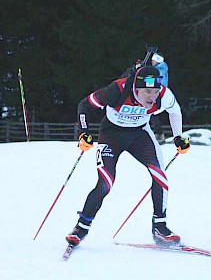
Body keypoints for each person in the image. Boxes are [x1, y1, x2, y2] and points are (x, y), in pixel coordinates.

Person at [66, 66, 190, 247]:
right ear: (136, 88)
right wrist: (84, 133)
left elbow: (175, 111)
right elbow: (84, 105)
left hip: (140, 135)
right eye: (147, 91)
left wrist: (178, 136)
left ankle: (160, 228)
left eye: (155, 91)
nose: (152, 97)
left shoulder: (164, 95)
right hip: (111, 135)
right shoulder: (117, 90)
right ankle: (81, 228)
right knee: (106, 182)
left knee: (160, 176)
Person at [150, 52, 169, 144]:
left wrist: (142, 79)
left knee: (151, 114)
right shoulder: (161, 69)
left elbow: (156, 81)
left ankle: (158, 135)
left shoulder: (159, 70)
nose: (152, 62)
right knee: (152, 115)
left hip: (158, 95)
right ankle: (158, 135)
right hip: (158, 94)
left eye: (153, 60)